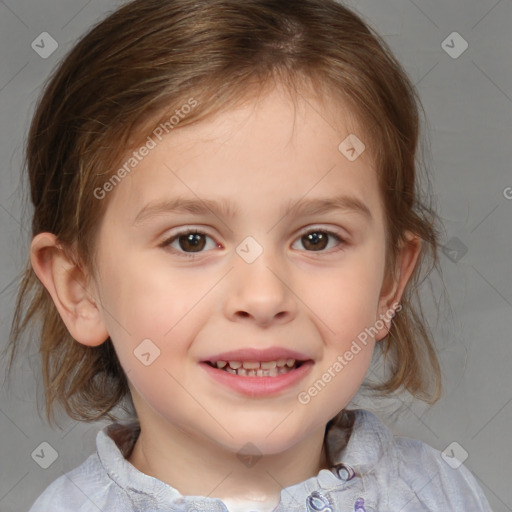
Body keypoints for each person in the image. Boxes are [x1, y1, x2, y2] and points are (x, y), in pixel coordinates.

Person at [7, 0, 493, 510]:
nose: (262, 298)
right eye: (191, 240)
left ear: (390, 283)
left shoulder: (441, 494)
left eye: (316, 239)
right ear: (79, 287)